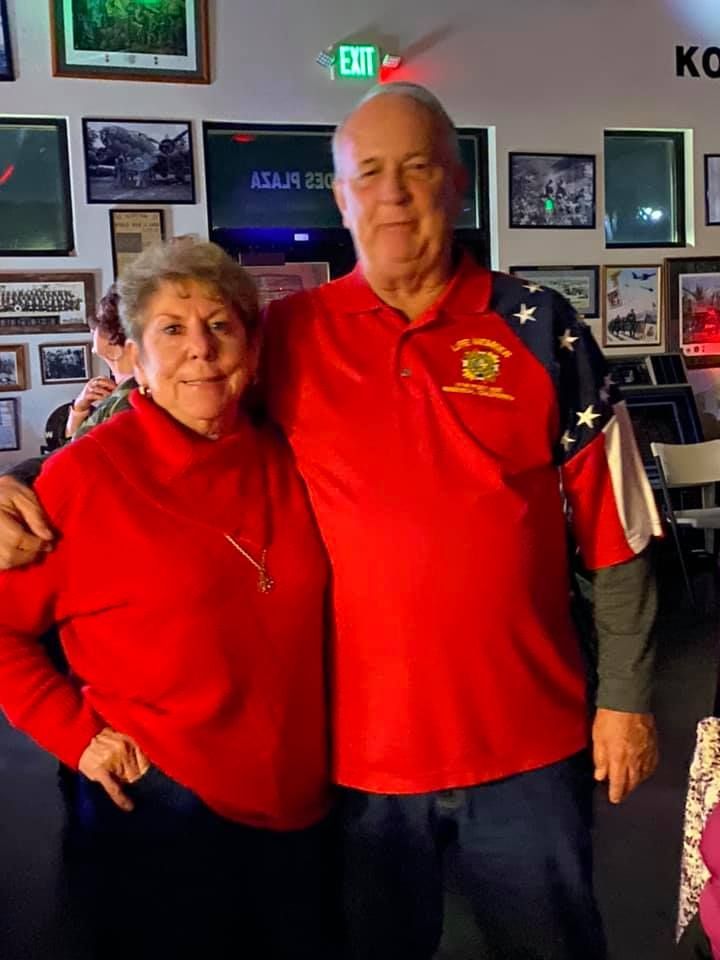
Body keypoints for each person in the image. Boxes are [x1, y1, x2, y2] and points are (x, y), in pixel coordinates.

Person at [0, 83, 661, 960]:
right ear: (340, 196)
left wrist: (626, 699)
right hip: (356, 762)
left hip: (530, 746)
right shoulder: (290, 335)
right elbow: (175, 419)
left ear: (457, 184)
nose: (393, 194)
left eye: (417, 168)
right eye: (370, 174)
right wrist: (15, 479)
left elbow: (618, 522)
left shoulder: (542, 329)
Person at [0, 239, 334, 960]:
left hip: (306, 803)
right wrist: (76, 735)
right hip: (163, 804)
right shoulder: (81, 480)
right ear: (137, 360)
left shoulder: (293, 455)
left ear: (251, 346)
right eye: (172, 330)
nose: (201, 351)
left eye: (221, 325)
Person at [64, 283, 136, 442]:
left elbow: (72, 458)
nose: (92, 330)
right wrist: (79, 409)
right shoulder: (121, 395)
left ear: (113, 338)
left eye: (98, 323)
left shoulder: (129, 401)